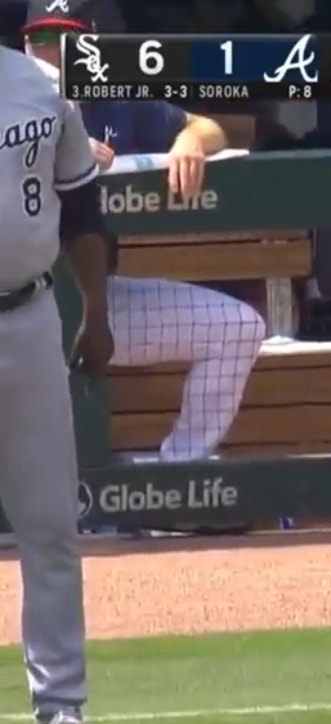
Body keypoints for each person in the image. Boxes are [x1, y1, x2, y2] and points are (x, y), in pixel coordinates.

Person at [24, 0, 267, 464]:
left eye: (65, 39)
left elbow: (206, 126)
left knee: (236, 327)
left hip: (94, 300)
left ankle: (179, 478)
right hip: (15, 308)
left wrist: (191, 141)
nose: (51, 52)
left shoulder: (116, 101)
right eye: (41, 39)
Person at [0, 39, 111, 724]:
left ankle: (61, 705)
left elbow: (82, 211)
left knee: (49, 525)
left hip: (30, 317)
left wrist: (96, 312)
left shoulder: (41, 85)